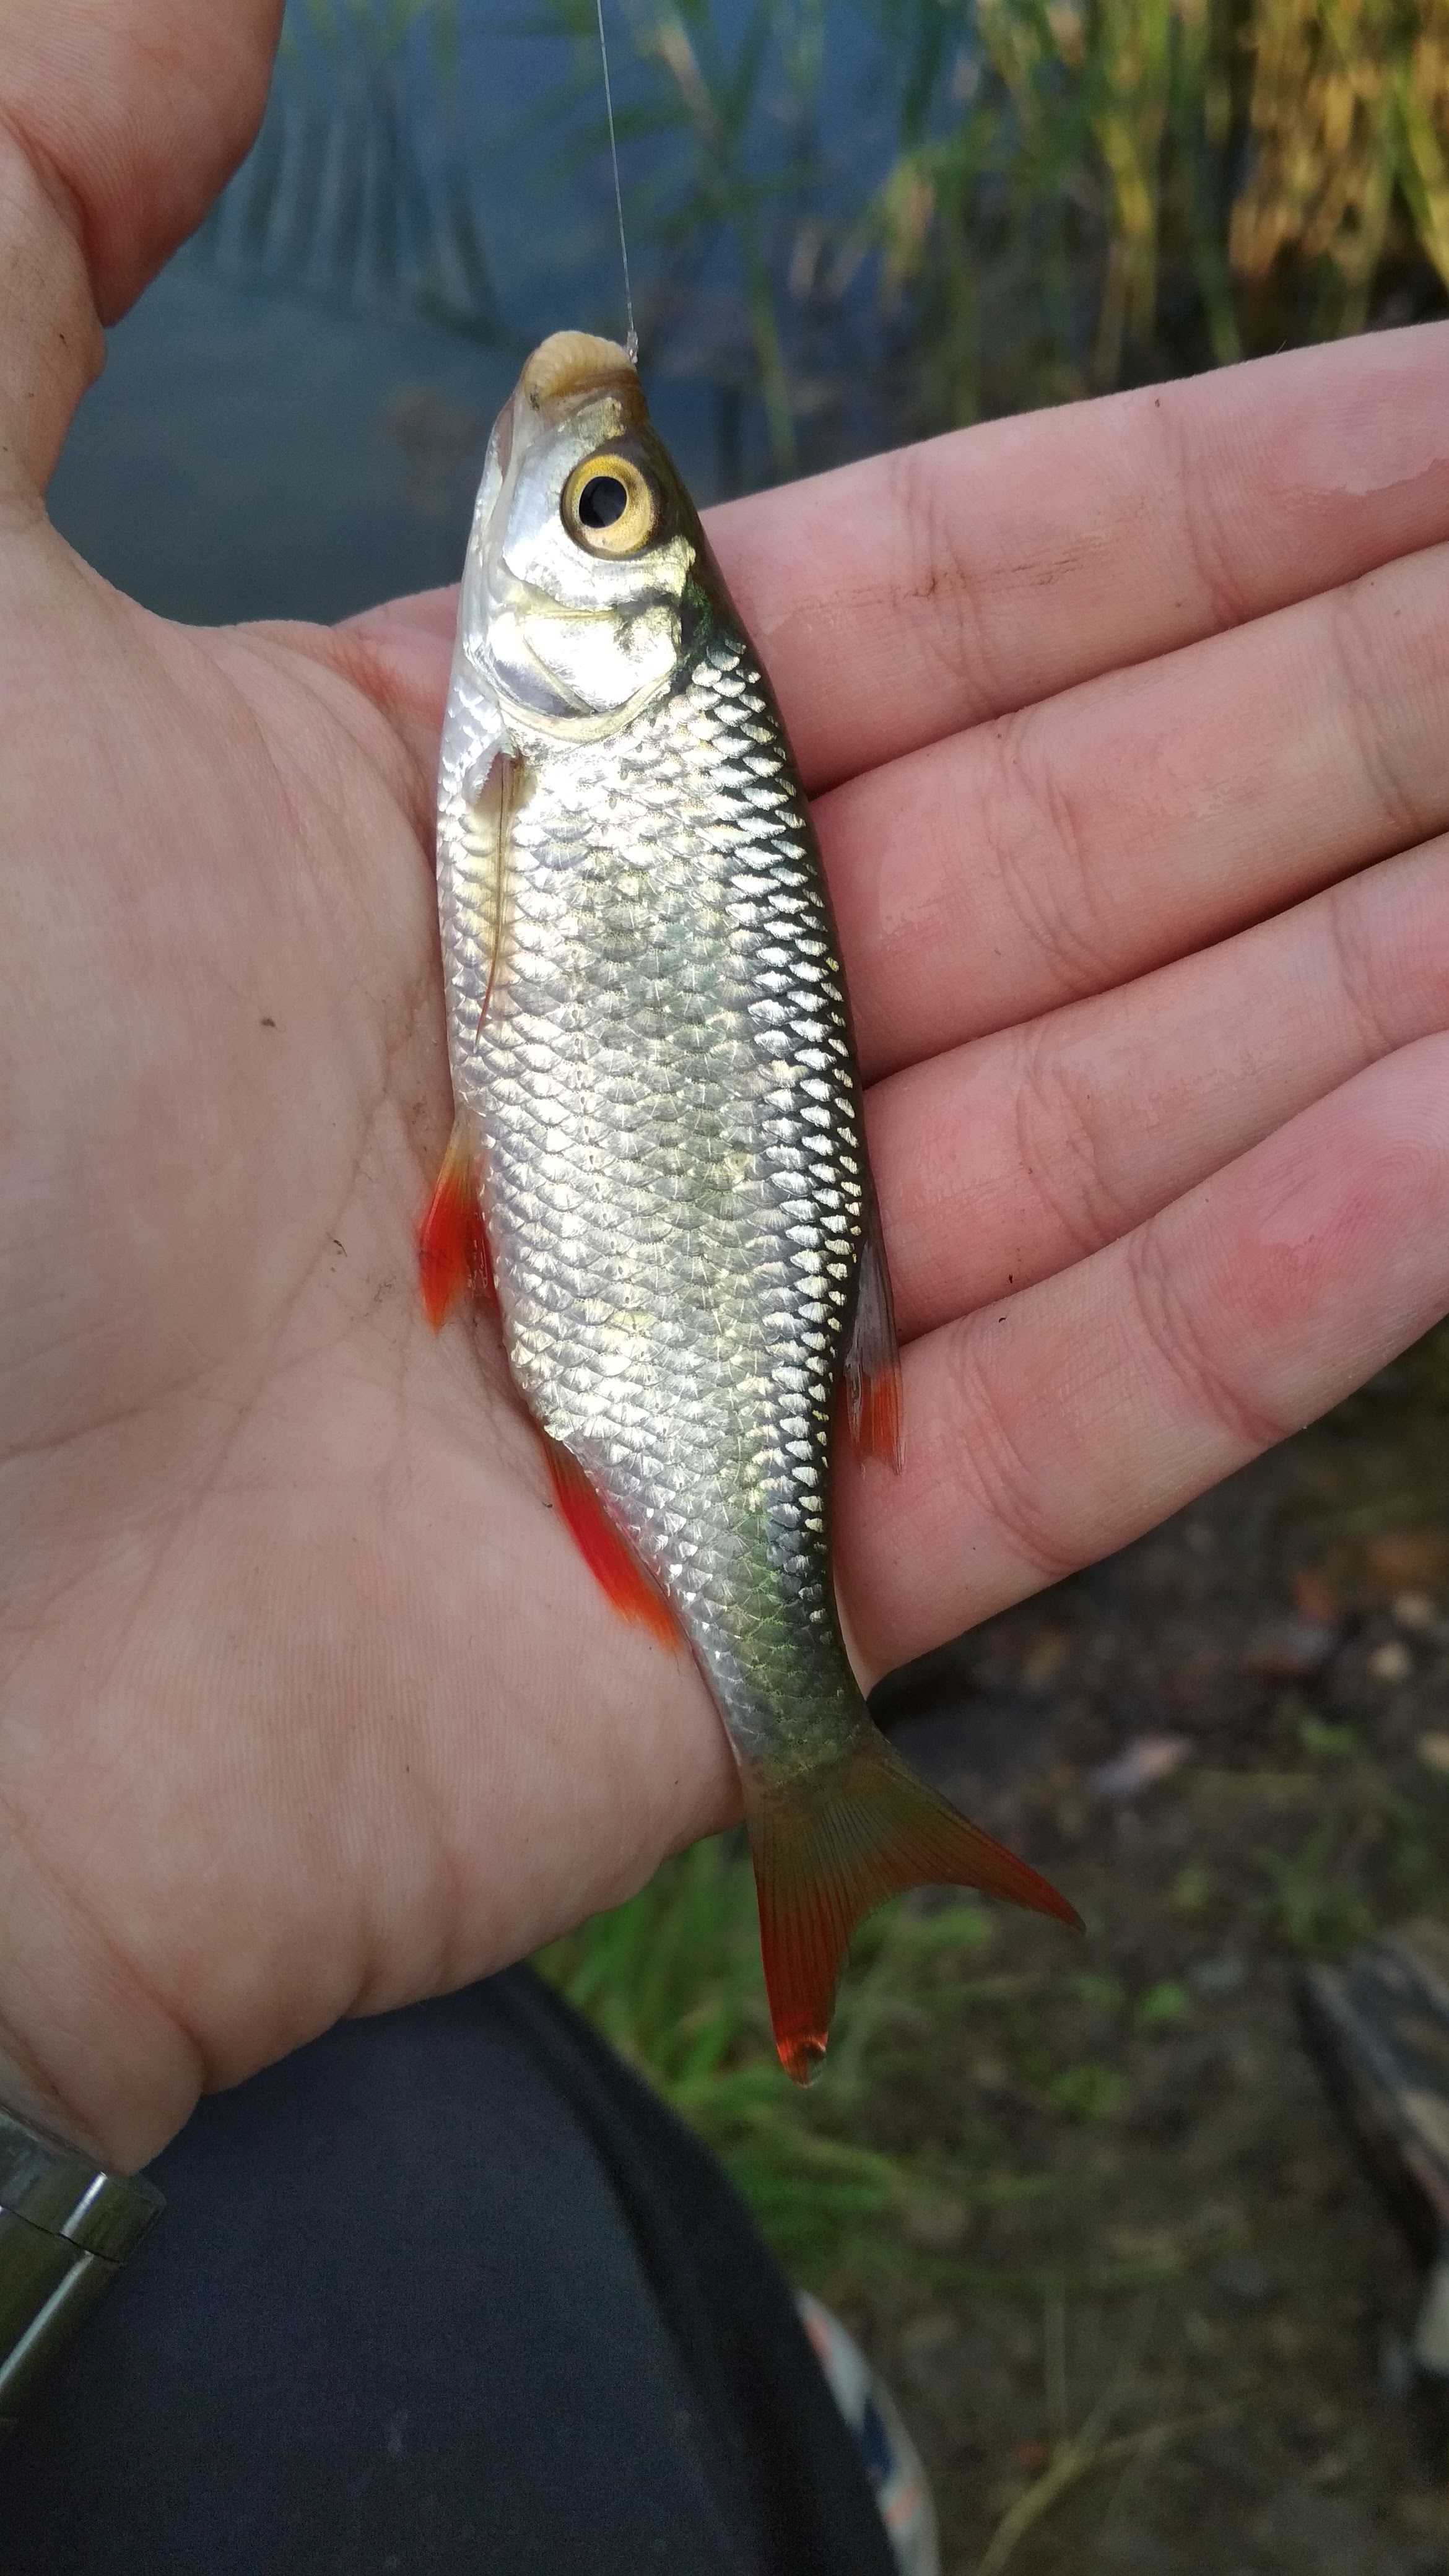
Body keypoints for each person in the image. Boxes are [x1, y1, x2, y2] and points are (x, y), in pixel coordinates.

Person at [0, 0, 1446, 2562]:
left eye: (598, 513)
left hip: (655, 1327)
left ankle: (817, 1830)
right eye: (607, 506)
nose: (567, 475)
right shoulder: (569, 731)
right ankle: (802, 2375)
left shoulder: (567, 734)